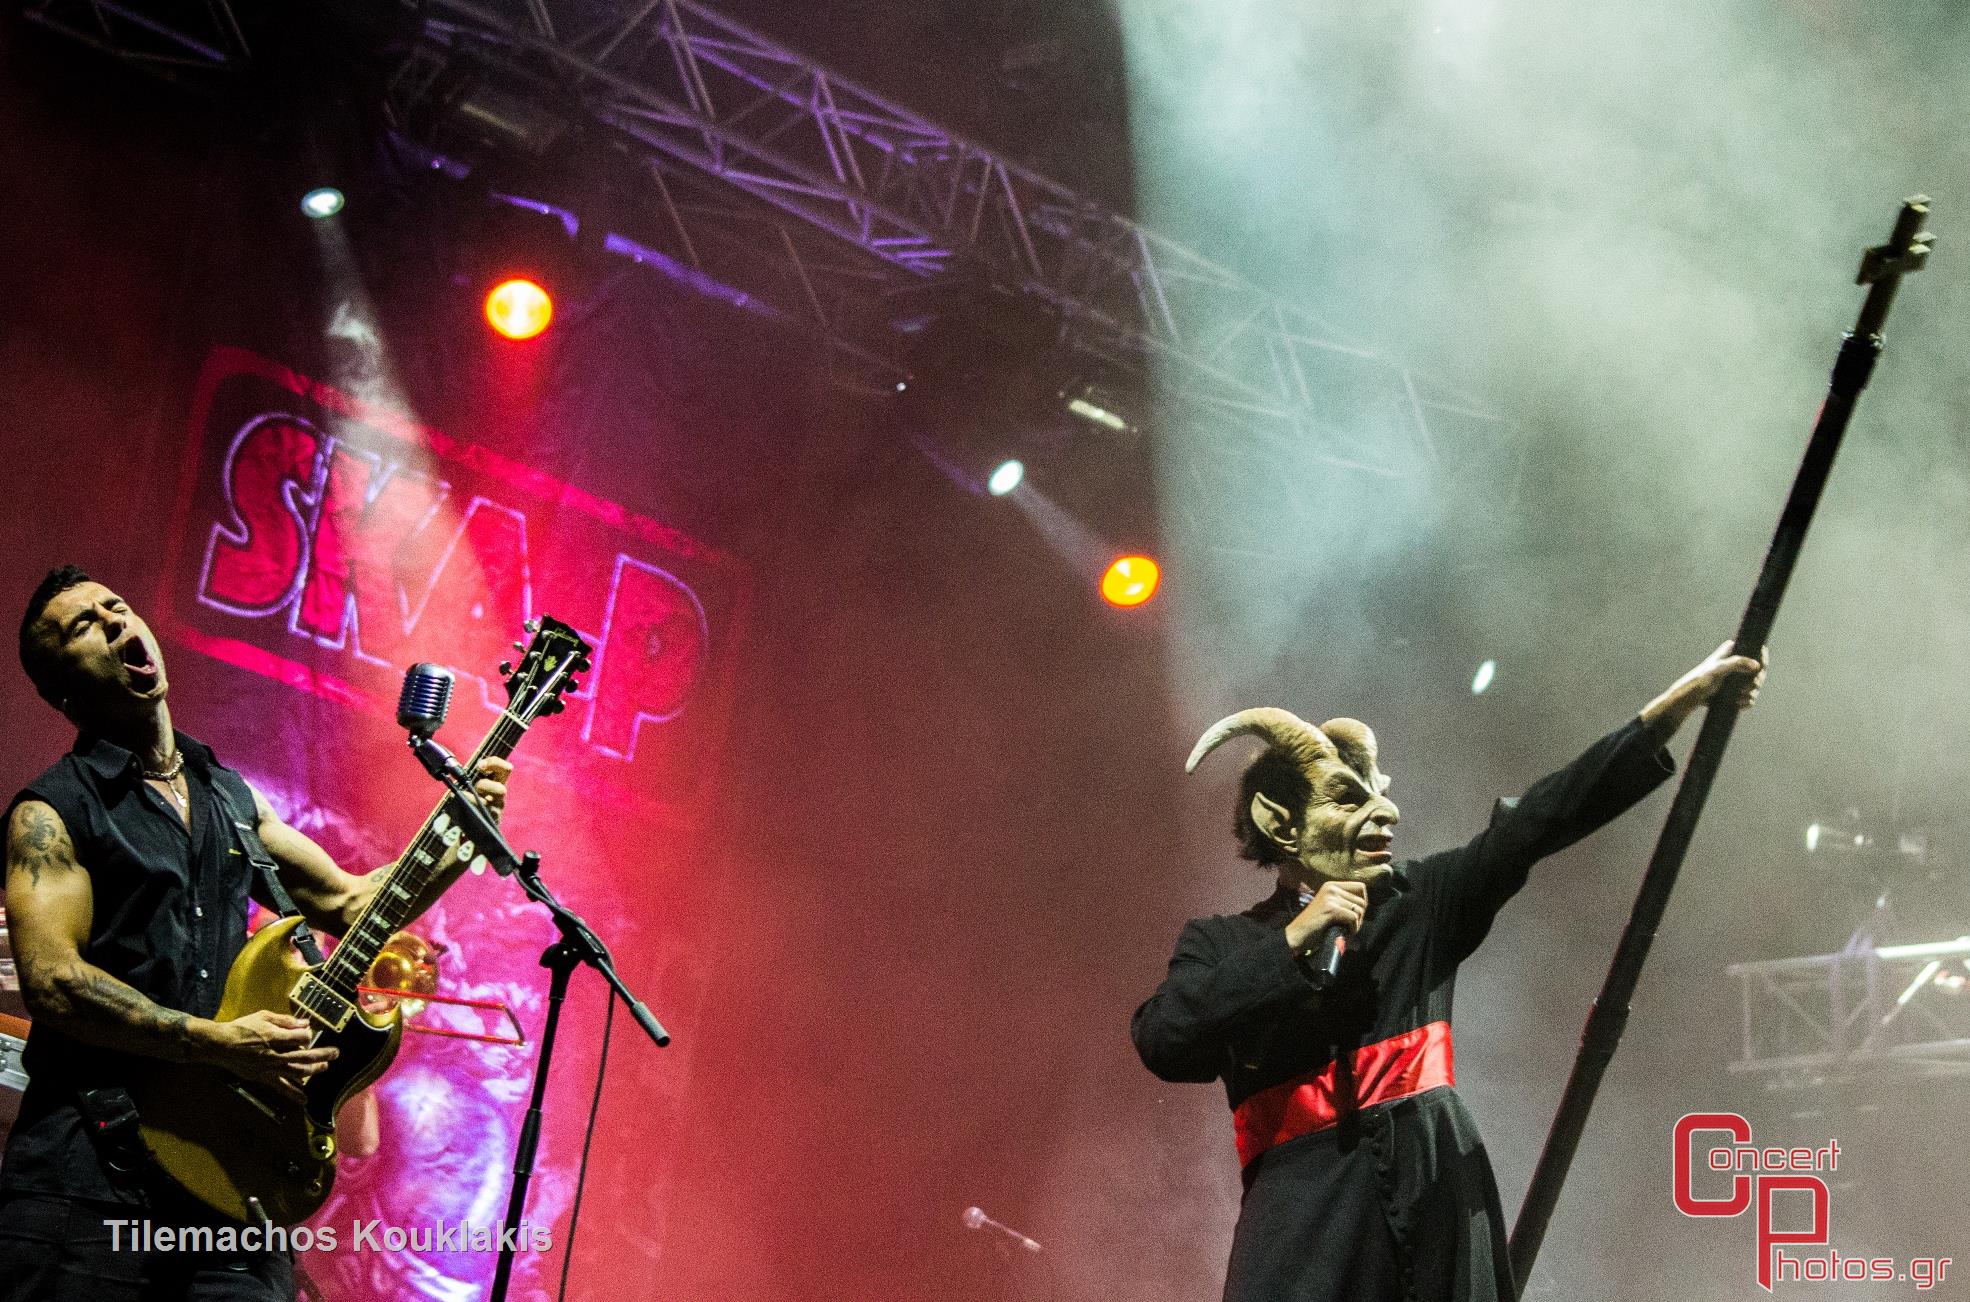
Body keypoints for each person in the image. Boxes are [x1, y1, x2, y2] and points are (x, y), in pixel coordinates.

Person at [1131, 642, 1766, 1302]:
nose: (1385, 814)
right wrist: (1295, 939)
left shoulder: (1419, 904)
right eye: (1347, 799)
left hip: (1435, 1205)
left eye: (1380, 796)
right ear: (1280, 822)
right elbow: (1165, 1038)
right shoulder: (1222, 943)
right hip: (1303, 1235)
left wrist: (1674, 709)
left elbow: (1540, 820)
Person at [0, 565, 513, 1301]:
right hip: (86, 1188)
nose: (114, 621)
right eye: (84, 625)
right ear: (63, 692)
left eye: (117, 605)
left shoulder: (228, 797)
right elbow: (53, 982)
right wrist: (218, 1043)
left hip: (230, 1199)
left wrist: (460, 836)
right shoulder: (52, 812)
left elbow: (351, 900)